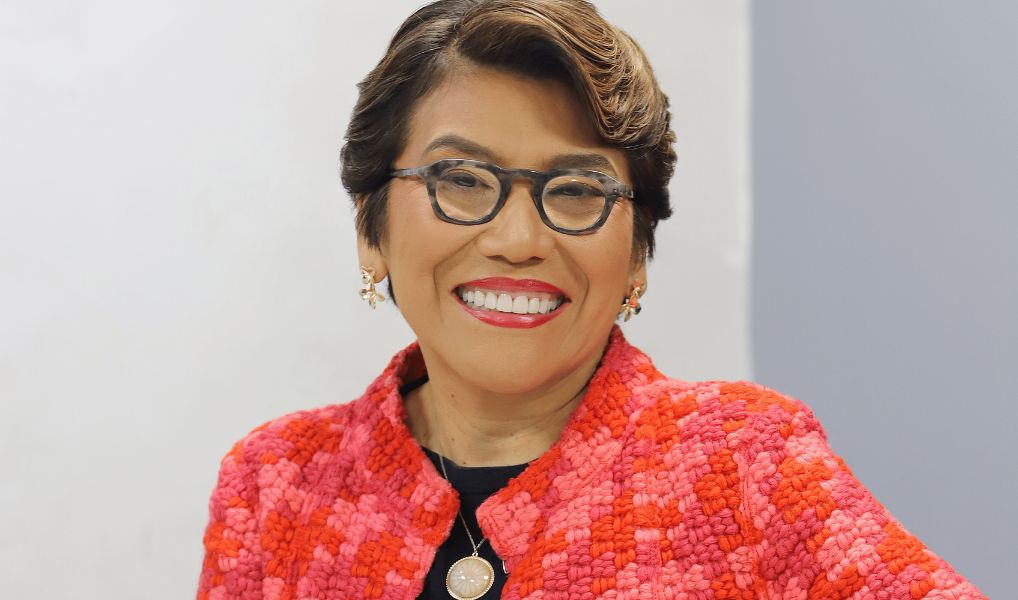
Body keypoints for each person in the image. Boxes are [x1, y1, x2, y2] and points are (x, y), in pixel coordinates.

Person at [197, 1, 984, 598]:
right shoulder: (276, 485)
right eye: (461, 180)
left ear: (636, 256)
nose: (517, 239)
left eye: (576, 190)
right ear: (371, 229)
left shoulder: (745, 466)